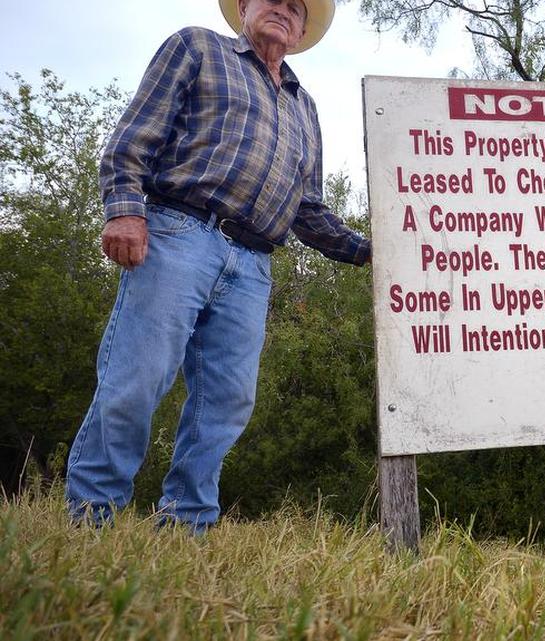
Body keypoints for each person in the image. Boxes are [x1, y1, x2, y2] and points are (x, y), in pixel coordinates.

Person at [66, 0, 370, 532]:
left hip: (253, 263)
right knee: (136, 378)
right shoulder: (198, 47)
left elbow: (307, 208)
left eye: (298, 9)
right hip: (179, 231)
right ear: (245, 8)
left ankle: (186, 523)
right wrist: (125, 211)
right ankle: (91, 517)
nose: (284, 10)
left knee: (227, 401)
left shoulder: (306, 107)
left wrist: (370, 250)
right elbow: (133, 138)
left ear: (302, 31)